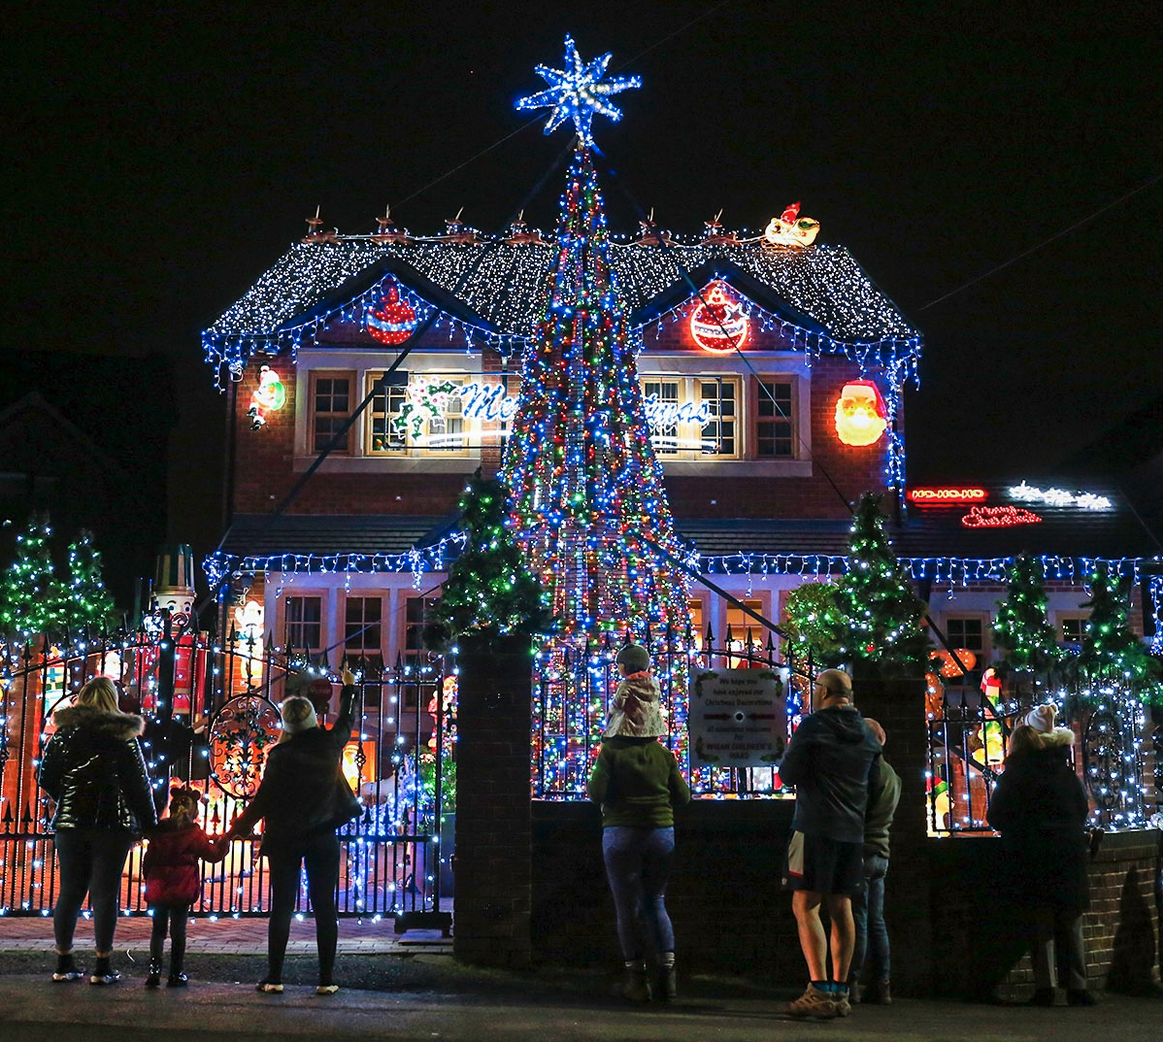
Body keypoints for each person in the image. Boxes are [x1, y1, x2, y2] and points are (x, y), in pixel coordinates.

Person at [224, 669, 361, 995]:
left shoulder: (279, 756)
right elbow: (346, 721)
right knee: (325, 907)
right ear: (312, 718)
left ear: (286, 723)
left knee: (282, 907)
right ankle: (326, 979)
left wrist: (238, 827)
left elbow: (263, 799)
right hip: (323, 835)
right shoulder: (330, 745)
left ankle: (274, 977)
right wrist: (350, 688)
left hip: (285, 838)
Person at [587, 643, 690, 1003]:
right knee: (656, 901)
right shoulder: (664, 754)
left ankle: (636, 979)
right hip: (661, 832)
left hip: (621, 832)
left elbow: (596, 793)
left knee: (626, 907)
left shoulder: (611, 751)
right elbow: (684, 797)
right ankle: (668, 979)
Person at [37, 676, 157, 985]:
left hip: (71, 824)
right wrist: (149, 823)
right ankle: (103, 964)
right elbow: (138, 785)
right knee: (105, 894)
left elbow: (46, 777)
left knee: (70, 891)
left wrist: (67, 799)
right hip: (111, 825)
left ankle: (63, 961)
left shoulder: (63, 735)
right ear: (111, 700)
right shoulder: (123, 737)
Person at [778, 668, 881, 1019]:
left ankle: (818, 989)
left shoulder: (814, 726)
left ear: (823, 692)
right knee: (842, 907)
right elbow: (875, 781)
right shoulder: (867, 734)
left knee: (805, 905)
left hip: (813, 826)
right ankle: (841, 990)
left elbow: (787, 773)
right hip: (852, 831)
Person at [986, 706, 1095, 1006]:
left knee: (1040, 923)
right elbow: (1082, 810)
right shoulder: (1066, 772)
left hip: (1032, 854)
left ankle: (1046, 987)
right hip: (1068, 853)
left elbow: (996, 815)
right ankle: (1078, 986)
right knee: (1071, 921)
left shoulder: (1015, 774)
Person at [141, 785, 227, 987]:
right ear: (194, 811)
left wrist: (149, 879)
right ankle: (175, 973)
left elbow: (149, 859)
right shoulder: (194, 833)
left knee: (158, 931)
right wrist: (224, 843)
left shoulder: (159, 831)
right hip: (182, 888)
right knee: (178, 931)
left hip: (159, 886)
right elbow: (212, 855)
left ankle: (154, 972)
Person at [848, 717, 900, 1005]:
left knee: (858, 920)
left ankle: (852, 981)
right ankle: (883, 984)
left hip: (862, 850)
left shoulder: (867, 772)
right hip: (881, 851)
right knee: (876, 921)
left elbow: (858, 811)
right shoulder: (892, 774)